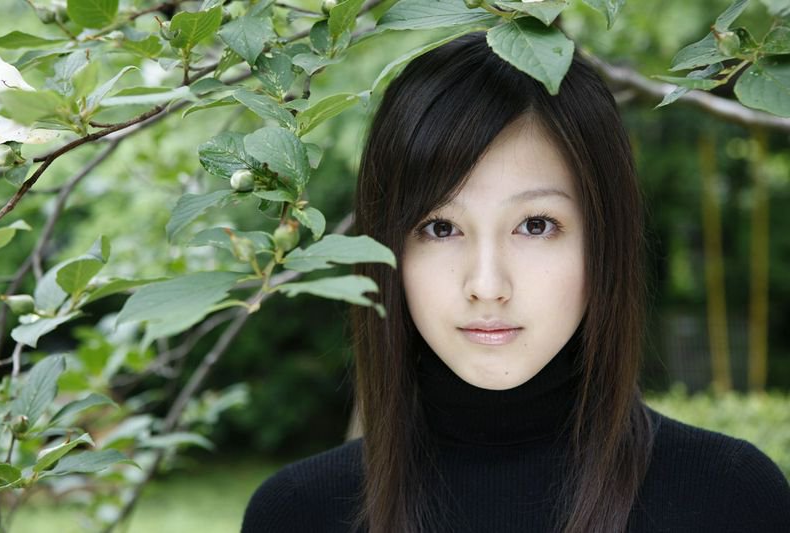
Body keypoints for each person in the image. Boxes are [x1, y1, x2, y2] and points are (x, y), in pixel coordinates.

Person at [241, 32, 790, 533]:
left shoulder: (730, 500)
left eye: (535, 226)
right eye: (440, 227)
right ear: (387, 250)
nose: (486, 285)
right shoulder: (299, 514)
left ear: (605, 240)